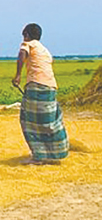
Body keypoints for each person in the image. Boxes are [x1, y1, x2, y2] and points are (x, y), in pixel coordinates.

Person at [12, 23, 69, 164]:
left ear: (26, 34)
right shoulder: (45, 50)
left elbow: (22, 55)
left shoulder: (27, 44)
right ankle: (57, 152)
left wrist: (18, 75)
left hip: (36, 86)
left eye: (24, 34)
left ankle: (39, 156)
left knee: (30, 121)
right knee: (50, 121)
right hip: (51, 87)